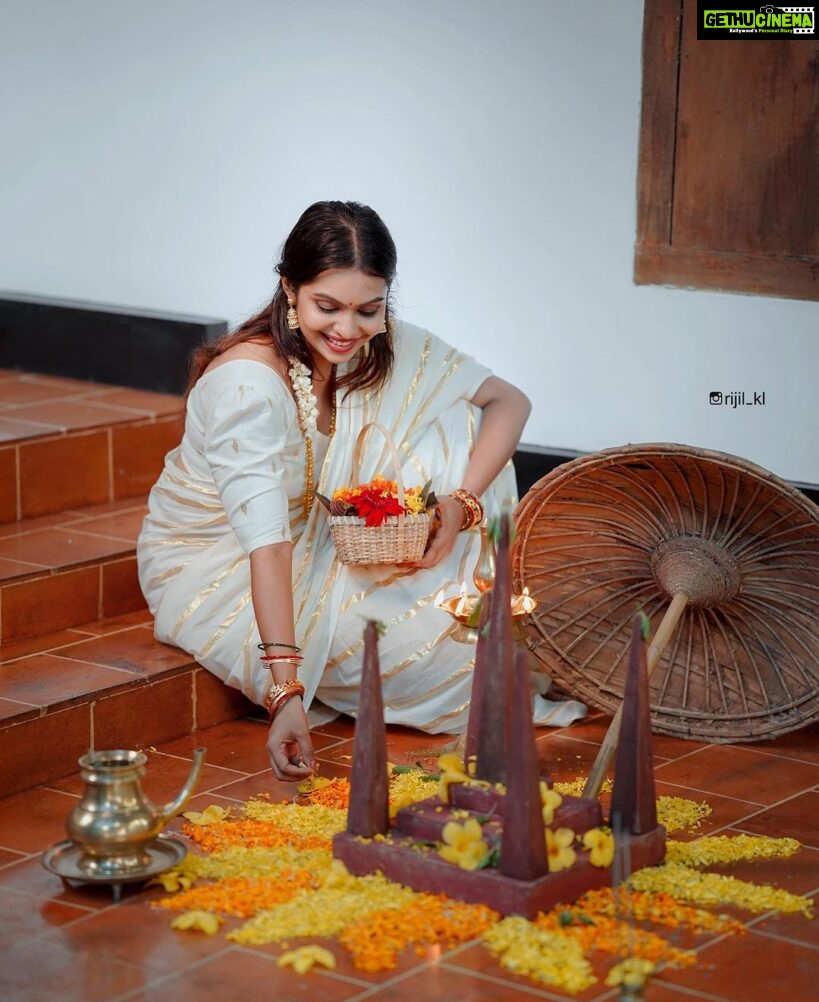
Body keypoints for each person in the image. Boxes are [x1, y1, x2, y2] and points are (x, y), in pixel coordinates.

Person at [137, 201, 585, 782]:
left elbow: (509, 402)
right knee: (461, 659)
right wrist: (287, 692)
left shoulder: (376, 346)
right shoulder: (247, 388)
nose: (348, 331)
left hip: (328, 539)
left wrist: (459, 505)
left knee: (456, 422)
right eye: (327, 307)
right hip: (222, 565)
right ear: (288, 289)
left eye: (368, 310)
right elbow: (267, 547)